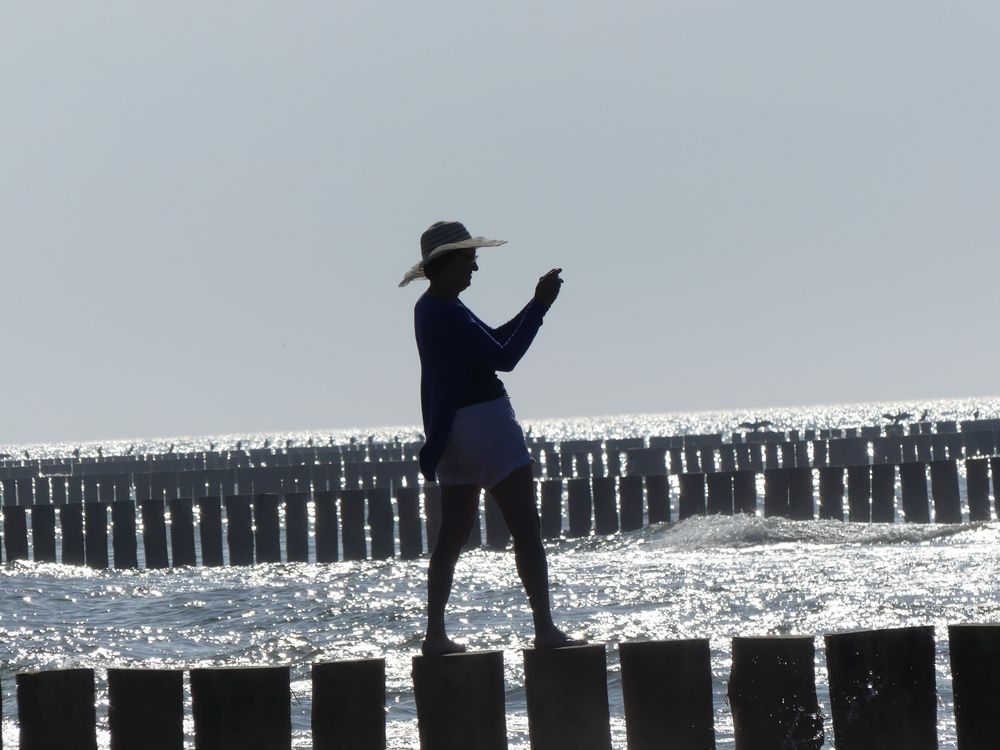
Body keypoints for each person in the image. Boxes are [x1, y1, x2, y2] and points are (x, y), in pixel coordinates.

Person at [400, 220, 584, 655]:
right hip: (485, 424)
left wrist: (535, 305)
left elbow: (494, 342)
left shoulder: (433, 309)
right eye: (470, 260)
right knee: (526, 528)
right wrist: (539, 308)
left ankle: (435, 635)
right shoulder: (445, 311)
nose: (475, 270)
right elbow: (506, 357)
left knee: (452, 535)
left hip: (450, 434)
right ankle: (544, 630)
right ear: (444, 264)